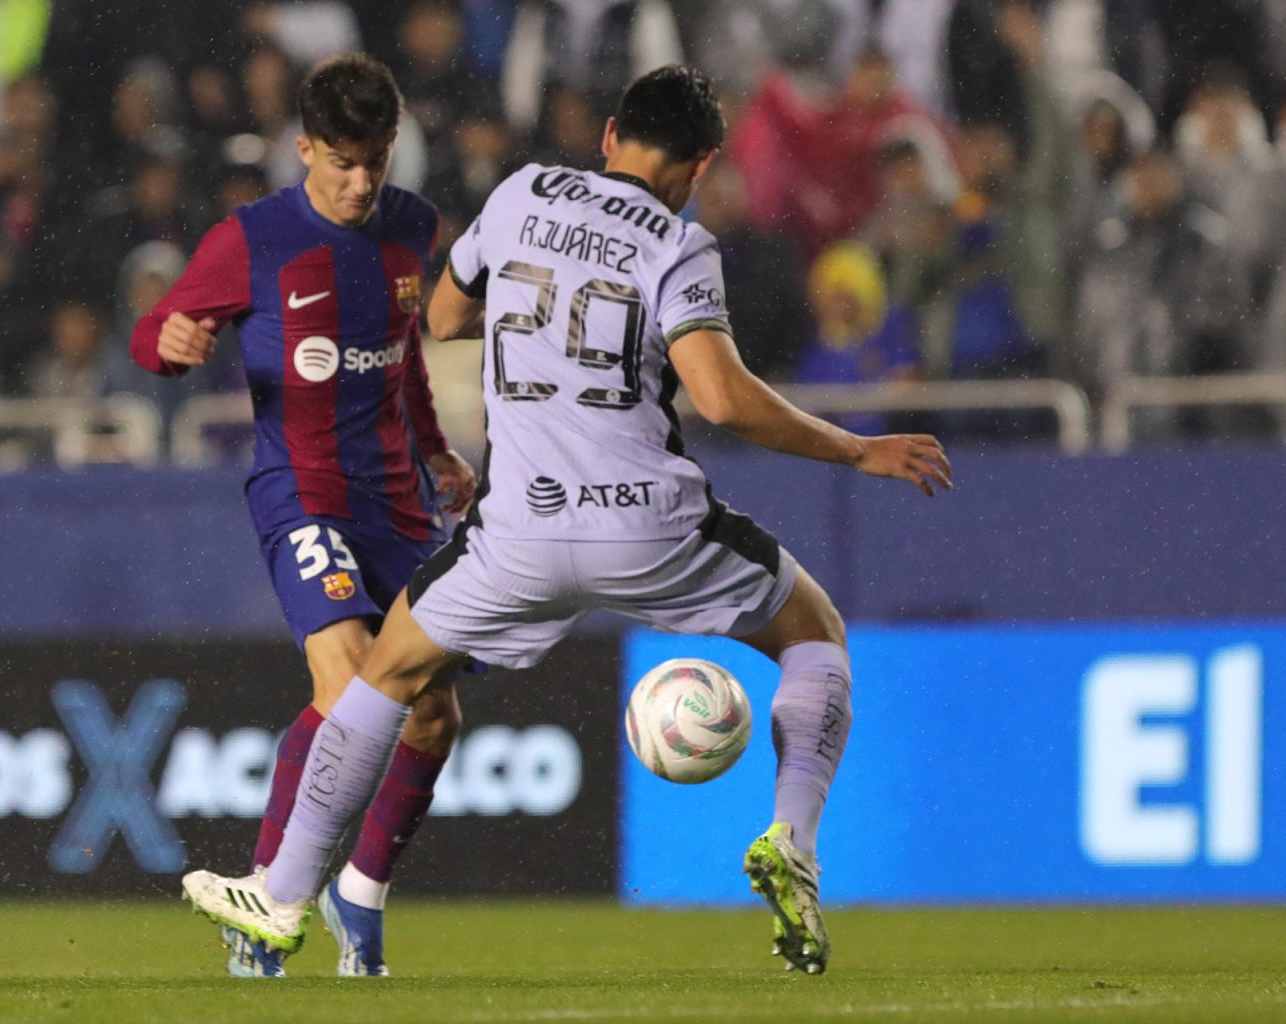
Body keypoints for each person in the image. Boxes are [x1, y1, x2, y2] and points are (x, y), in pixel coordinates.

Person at [181, 64, 950, 977]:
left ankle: (281, 898)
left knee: (383, 677)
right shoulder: (681, 243)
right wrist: (858, 450)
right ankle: (794, 838)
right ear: (702, 163)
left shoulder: (520, 194)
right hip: (651, 528)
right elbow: (722, 398)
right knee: (814, 631)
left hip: (520, 535)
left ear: (611, 135)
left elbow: (444, 315)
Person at [130, 52, 476, 979]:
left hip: (399, 501)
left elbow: (400, 354)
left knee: (434, 714)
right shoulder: (250, 239)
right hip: (303, 491)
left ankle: (356, 891)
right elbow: (154, 334)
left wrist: (436, 446)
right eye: (342, 162)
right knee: (352, 684)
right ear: (304, 148)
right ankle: (266, 911)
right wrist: (169, 344)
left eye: (377, 160)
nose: (362, 183)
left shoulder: (413, 226)